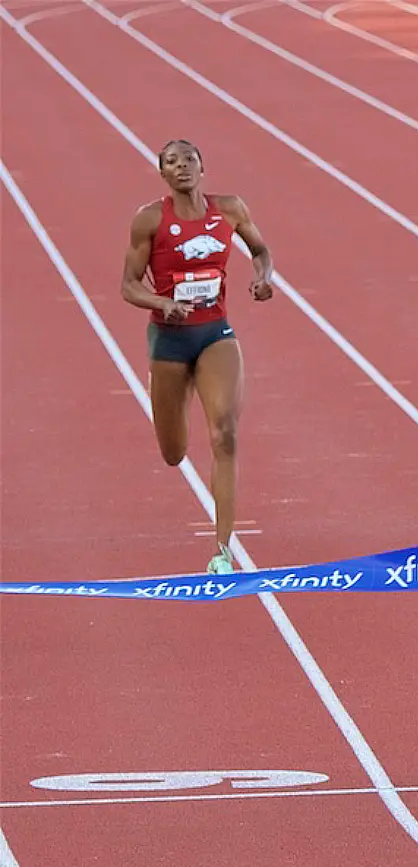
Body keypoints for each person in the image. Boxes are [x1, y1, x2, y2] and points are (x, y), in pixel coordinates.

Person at [120, 139, 274, 574]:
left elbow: (260, 250)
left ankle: (223, 550)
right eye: (172, 162)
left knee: (225, 433)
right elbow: (128, 284)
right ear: (163, 174)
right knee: (173, 452)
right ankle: (166, 393)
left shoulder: (229, 209)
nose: (182, 166)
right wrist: (160, 302)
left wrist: (264, 278)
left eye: (189, 159)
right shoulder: (150, 219)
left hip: (214, 333)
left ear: (203, 167)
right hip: (169, 342)